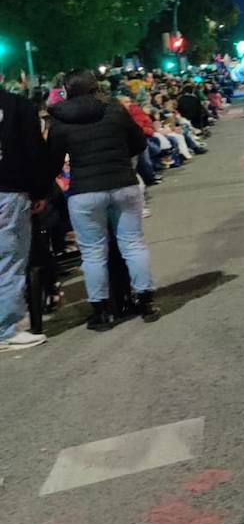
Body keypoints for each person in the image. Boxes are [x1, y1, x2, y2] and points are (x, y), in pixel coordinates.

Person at [45, 70, 159, 329]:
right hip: (123, 184)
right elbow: (139, 142)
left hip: (85, 191)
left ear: (66, 89)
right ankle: (146, 301)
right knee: (133, 244)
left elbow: (52, 160)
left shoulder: (60, 119)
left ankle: (102, 311)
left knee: (93, 253)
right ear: (95, 87)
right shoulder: (115, 109)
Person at [0, 74, 49, 351]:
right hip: (9, 192)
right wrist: (40, 192)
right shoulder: (17, 106)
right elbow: (34, 152)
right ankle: (5, 330)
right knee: (9, 261)